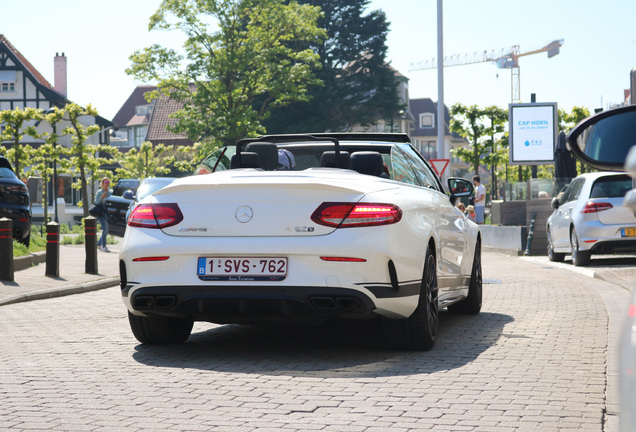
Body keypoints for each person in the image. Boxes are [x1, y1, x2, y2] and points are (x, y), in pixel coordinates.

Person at [94, 177, 112, 252]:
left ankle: (98, 244)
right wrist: (101, 198)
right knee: (105, 230)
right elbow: (96, 203)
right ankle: (103, 246)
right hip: (101, 213)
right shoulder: (99, 192)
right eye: (106, 183)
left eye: (108, 183)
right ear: (102, 184)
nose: (107, 184)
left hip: (108, 213)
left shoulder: (111, 192)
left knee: (106, 231)